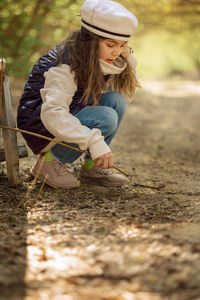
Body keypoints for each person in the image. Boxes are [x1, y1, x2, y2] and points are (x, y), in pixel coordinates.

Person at [17, 0, 139, 189]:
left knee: (117, 101)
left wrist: (128, 58)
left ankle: (92, 168)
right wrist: (94, 141)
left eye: (122, 45)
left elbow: (126, 93)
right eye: (110, 44)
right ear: (90, 40)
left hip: (70, 110)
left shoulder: (96, 56)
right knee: (106, 117)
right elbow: (52, 113)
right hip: (41, 123)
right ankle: (49, 163)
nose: (116, 52)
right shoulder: (65, 63)